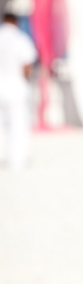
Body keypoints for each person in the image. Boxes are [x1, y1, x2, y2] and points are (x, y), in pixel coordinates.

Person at [0, 12, 37, 171]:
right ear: (16, 21)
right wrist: (26, 79)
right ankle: (17, 160)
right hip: (15, 86)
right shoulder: (21, 39)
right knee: (18, 124)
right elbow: (27, 64)